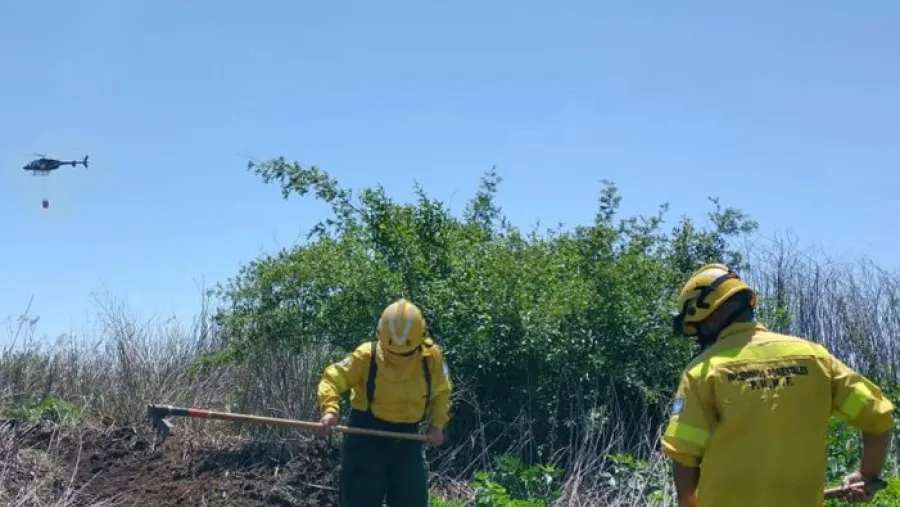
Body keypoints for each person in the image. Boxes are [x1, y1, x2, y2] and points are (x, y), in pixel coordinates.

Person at [661, 263, 895, 507]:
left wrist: (687, 501)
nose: (701, 334)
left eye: (698, 326)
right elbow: (877, 416)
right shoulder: (814, 358)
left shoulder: (704, 371)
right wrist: (866, 475)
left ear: (711, 314)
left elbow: (685, 454)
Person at [316, 298, 453, 507]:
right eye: (391, 353)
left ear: (421, 339)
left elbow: (441, 391)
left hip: (408, 439)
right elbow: (332, 378)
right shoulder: (365, 356)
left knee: (412, 501)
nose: (399, 358)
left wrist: (438, 425)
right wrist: (330, 410)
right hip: (364, 439)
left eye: (407, 353)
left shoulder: (432, 357)